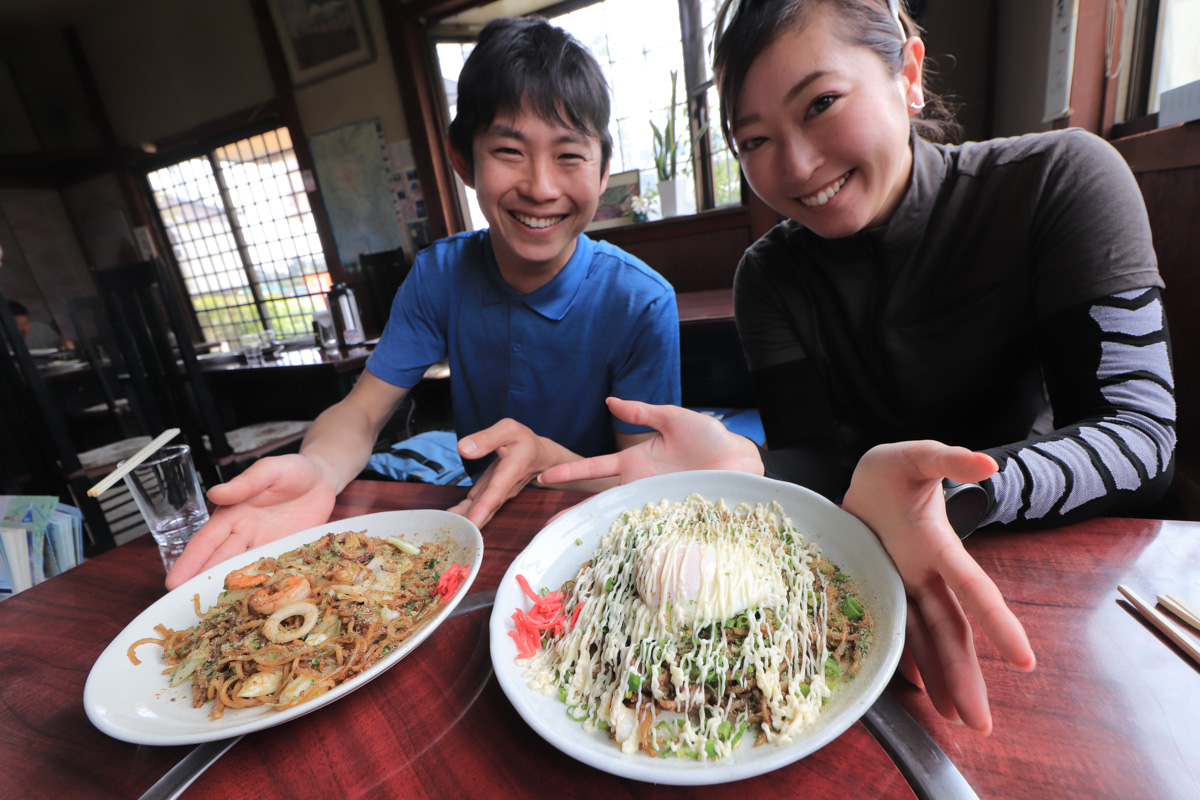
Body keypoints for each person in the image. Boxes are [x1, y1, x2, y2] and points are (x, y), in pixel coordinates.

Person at [541, 0, 1175, 735]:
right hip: (860, 584)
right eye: (755, 140)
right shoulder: (769, 278)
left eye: (821, 104)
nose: (799, 166)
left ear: (907, 71)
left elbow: (1141, 439)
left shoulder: (1059, 179)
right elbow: (817, 457)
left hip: (1046, 565)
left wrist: (953, 496)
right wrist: (750, 463)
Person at [165, 17, 681, 589]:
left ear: (603, 169)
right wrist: (317, 469)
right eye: (509, 150)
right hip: (472, 528)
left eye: (569, 156)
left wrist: (545, 461)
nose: (540, 186)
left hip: (595, 536)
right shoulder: (440, 274)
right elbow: (362, 413)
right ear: (464, 162)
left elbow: (645, 490)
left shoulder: (640, 300)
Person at [7, 300, 73, 351]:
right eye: (17, 325)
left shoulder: (41, 330)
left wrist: (63, 342)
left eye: (26, 323)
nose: (25, 329)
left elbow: (59, 343)